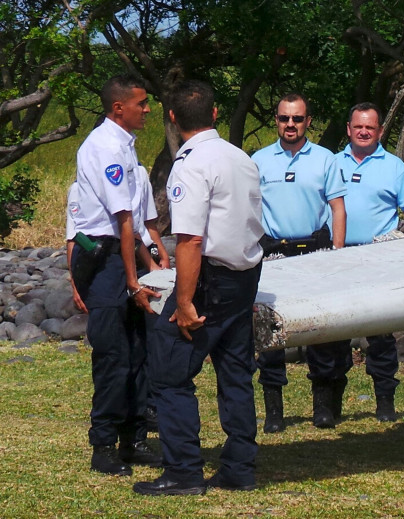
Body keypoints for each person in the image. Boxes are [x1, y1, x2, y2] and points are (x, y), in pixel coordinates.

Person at [133, 80, 263, 495]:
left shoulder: (190, 165)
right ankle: (241, 467)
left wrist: (185, 301)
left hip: (210, 281)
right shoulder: (241, 157)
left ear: (172, 118)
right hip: (245, 276)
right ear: (215, 113)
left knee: (169, 374)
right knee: (236, 373)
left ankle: (184, 471)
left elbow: (189, 240)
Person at [68, 74, 161, 477]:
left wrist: (153, 265)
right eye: (141, 103)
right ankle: (103, 443)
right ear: (118, 107)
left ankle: (134, 437)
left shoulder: (128, 149)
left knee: (139, 351)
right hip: (105, 260)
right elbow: (122, 221)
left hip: (125, 256)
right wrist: (131, 281)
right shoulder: (104, 147)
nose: (147, 109)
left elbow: (139, 227)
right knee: (113, 354)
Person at [251, 93, 348, 432]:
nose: (290, 125)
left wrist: (338, 251)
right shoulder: (259, 160)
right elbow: (248, 210)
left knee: (319, 331)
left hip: (316, 252)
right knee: (271, 333)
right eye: (283, 118)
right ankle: (274, 412)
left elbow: (338, 208)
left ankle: (321, 407)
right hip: (273, 253)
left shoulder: (325, 159)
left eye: (297, 119)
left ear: (308, 121)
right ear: (276, 120)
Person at [332, 101, 404, 422]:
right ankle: (331, 403)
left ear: (380, 131)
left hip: (378, 259)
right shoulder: (331, 163)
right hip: (338, 258)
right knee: (335, 331)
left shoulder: (394, 166)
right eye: (358, 126)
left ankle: (385, 400)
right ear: (349, 128)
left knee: (381, 336)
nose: (364, 131)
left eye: (370, 127)